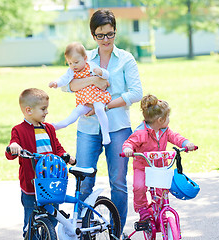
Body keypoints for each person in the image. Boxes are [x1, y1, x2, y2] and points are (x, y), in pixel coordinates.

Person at [61, 9, 143, 233]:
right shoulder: (84, 57)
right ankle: (82, 232)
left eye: (110, 34)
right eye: (100, 35)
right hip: (87, 129)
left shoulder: (125, 58)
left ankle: (116, 232)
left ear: (115, 32)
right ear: (93, 35)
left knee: (118, 183)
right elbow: (68, 85)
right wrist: (95, 81)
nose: (106, 40)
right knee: (84, 181)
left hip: (117, 128)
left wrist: (106, 105)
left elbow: (136, 93)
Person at [5, 88, 75, 237]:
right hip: (32, 186)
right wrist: (14, 147)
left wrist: (65, 156)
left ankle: (48, 235)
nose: (47, 112)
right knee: (32, 222)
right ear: (28, 110)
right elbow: (11, 150)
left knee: (52, 218)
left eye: (47, 108)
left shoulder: (48, 128)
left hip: (51, 183)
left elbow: (57, 147)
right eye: (43, 109)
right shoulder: (19, 130)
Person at [122, 94, 196, 221]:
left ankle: (160, 211)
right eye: (168, 117)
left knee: (162, 189)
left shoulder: (165, 130)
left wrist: (186, 144)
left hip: (160, 166)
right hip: (142, 167)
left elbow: (175, 137)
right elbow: (129, 143)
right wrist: (128, 149)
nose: (169, 120)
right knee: (139, 187)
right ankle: (142, 209)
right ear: (160, 120)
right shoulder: (140, 132)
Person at [49, 42, 112, 145]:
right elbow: (64, 79)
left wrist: (101, 72)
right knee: (75, 113)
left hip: (98, 97)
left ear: (85, 58)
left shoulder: (91, 66)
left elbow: (106, 75)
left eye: (76, 62)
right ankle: (59, 125)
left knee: (99, 109)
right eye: (70, 63)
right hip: (84, 100)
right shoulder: (71, 72)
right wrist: (56, 83)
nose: (73, 66)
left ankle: (106, 135)